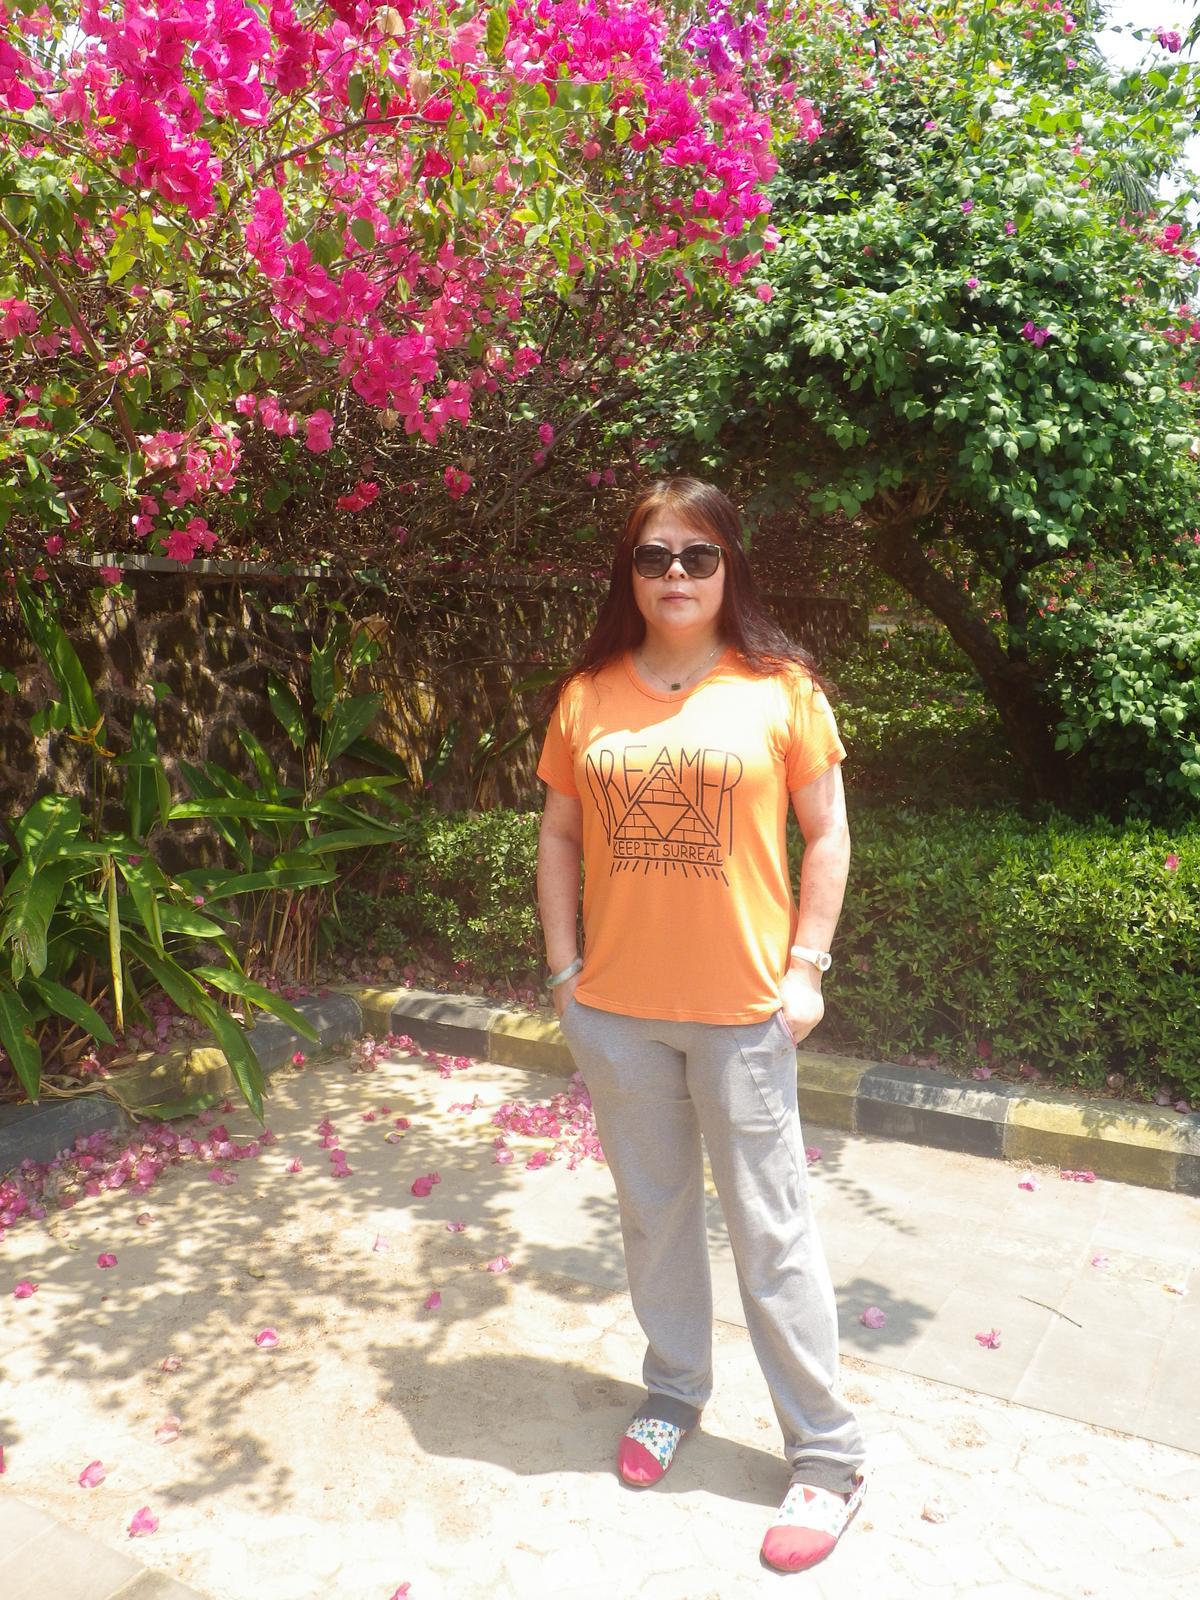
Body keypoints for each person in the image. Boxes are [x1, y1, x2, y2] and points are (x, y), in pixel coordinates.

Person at [534, 476, 868, 1574]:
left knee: (773, 1234)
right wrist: (565, 973)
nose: (674, 573)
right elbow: (559, 836)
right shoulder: (587, 694)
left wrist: (806, 969)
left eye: (697, 554)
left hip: (741, 1016)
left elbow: (828, 832)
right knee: (654, 1217)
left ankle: (828, 1455)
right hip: (619, 1014)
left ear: (730, 566)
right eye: (653, 555)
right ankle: (674, 1389)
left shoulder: (781, 689)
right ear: (627, 572)